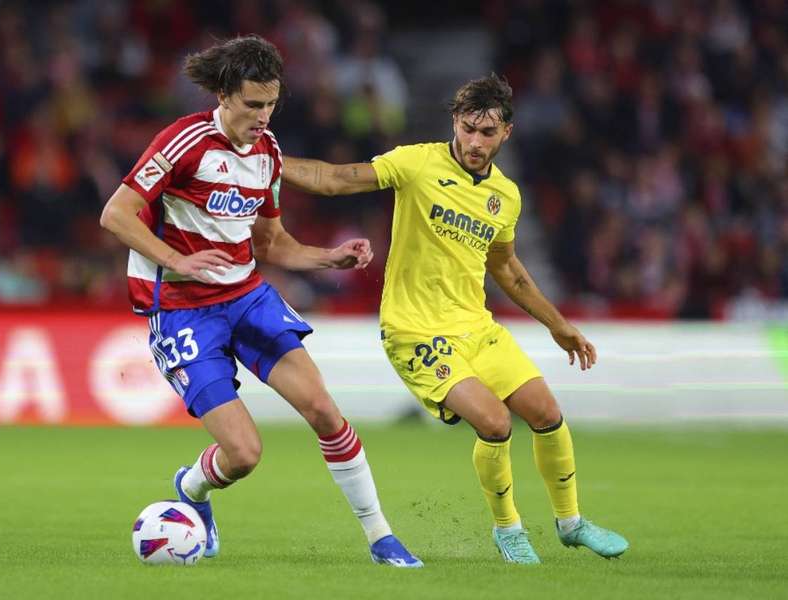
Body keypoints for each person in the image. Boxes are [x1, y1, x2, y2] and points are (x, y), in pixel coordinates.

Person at [99, 35, 421, 568]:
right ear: (225, 95)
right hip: (181, 310)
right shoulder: (184, 142)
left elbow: (272, 244)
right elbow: (116, 213)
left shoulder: (267, 154)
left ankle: (381, 537)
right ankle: (192, 488)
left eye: (270, 104)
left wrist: (329, 257)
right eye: (252, 104)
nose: (263, 116)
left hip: (246, 296)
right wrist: (175, 260)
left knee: (324, 410)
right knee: (245, 455)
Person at [281, 74, 629, 564]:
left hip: (476, 328)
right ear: (455, 123)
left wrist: (557, 324)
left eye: (487, 133)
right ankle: (508, 529)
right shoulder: (417, 162)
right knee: (494, 420)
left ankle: (570, 523)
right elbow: (335, 179)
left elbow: (505, 266)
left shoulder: (505, 196)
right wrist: (265, 161)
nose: (474, 141)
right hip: (415, 330)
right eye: (468, 128)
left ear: (506, 133)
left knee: (547, 414)